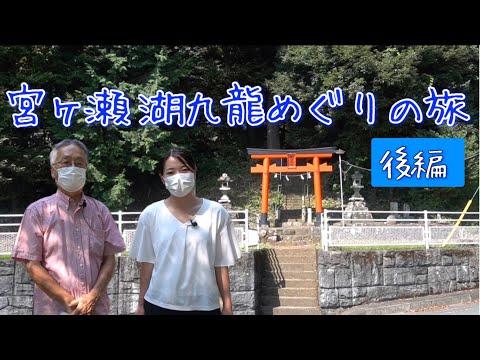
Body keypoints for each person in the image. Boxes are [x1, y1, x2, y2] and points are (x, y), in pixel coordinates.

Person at [12, 139, 126, 315]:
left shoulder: (100, 211)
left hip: (96, 308)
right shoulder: (37, 211)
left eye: (79, 163)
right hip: (54, 309)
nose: (73, 168)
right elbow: (32, 265)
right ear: (53, 171)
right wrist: (69, 301)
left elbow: (109, 258)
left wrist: (92, 297)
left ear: (86, 169)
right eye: (66, 162)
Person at [129, 147, 241, 315]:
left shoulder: (217, 213)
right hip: (159, 304)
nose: (178, 177)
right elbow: (147, 263)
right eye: (171, 172)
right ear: (163, 178)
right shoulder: (151, 214)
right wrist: (140, 305)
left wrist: (227, 304)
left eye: (184, 170)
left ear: (194, 172)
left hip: (204, 306)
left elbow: (221, 264)